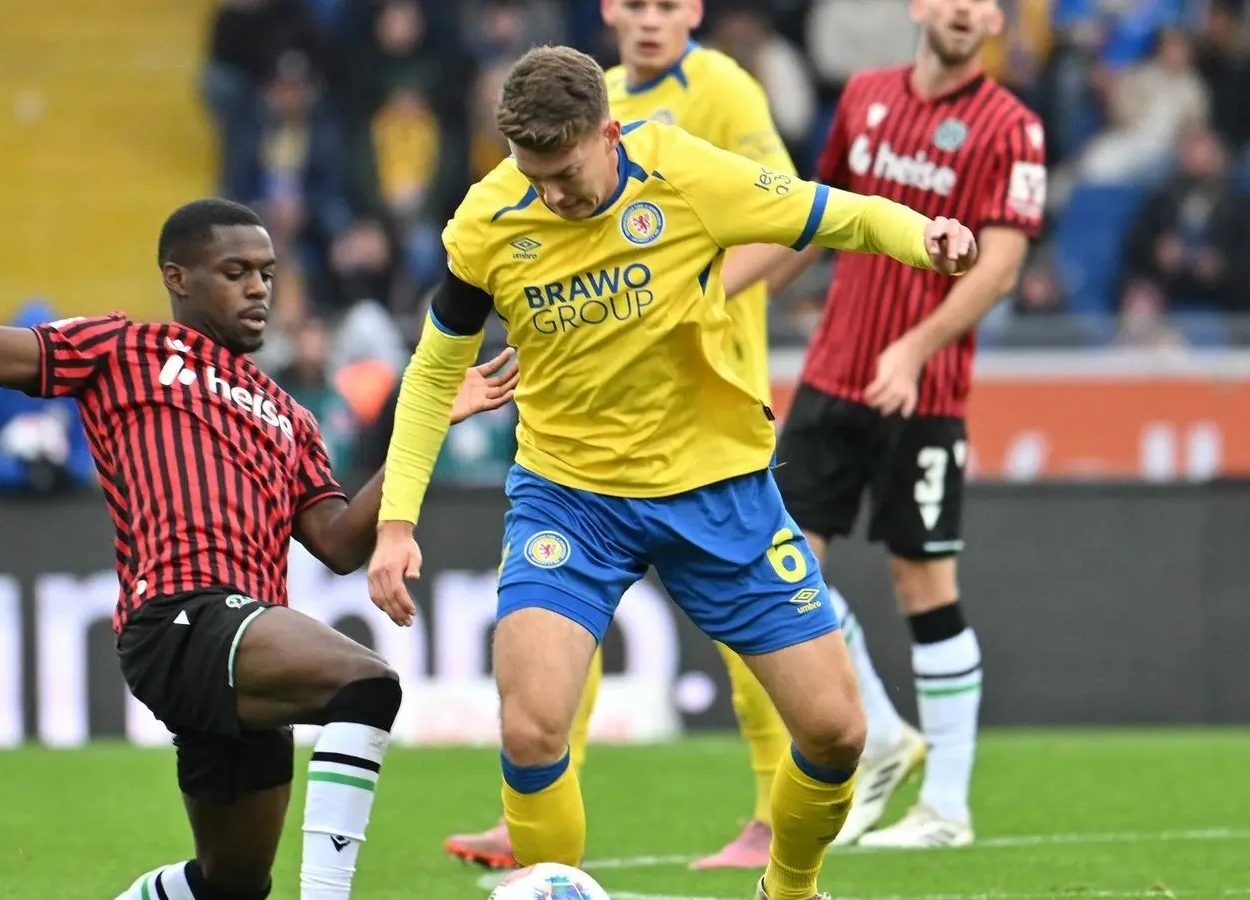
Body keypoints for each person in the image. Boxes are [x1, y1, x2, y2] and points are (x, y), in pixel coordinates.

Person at [0, 117, 517, 900]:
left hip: (243, 641)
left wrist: (424, 426)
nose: (259, 288)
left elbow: (338, 543)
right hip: (181, 618)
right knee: (367, 685)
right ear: (178, 278)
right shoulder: (123, 350)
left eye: (267, 273)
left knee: (231, 885)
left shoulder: (290, 415)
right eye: (236, 271)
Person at [366, 46, 976, 900]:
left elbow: (836, 214)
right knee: (532, 728)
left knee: (837, 732)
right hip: (569, 500)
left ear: (609, 135)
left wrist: (926, 236)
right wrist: (396, 524)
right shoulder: (486, 221)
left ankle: (790, 890)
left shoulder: (684, 172)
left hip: (716, 489)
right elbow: (435, 372)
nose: (552, 195)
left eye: (566, 174)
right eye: (534, 175)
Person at [442, 0, 804, 871]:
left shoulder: (722, 88)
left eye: (667, 5)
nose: (649, 20)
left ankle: (771, 813)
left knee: (747, 629)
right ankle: (539, 803)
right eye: (634, 4)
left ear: (695, 11)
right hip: (598, 416)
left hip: (704, 398)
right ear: (608, 11)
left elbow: (792, 225)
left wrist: (695, 290)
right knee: (568, 614)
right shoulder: (586, 102)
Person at [765, 0, 1046, 849]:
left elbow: (1000, 268)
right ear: (919, 7)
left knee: (922, 585)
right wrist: (725, 295)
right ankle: (884, 733)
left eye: (982, 2)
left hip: (923, 393)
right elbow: (814, 221)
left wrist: (914, 349)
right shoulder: (863, 96)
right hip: (831, 373)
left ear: (994, 21)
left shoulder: (1012, 127)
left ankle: (946, 810)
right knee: (778, 564)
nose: (963, 10)